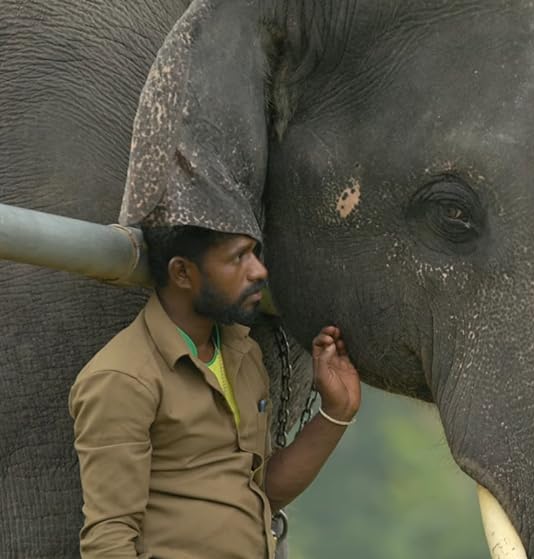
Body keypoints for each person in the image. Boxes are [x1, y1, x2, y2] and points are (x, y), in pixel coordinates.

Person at [69, 225, 361, 558]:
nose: (258, 271)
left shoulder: (242, 353)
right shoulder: (122, 378)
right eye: (238, 257)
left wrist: (337, 412)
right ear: (182, 272)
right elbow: (108, 540)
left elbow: (257, 491)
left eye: (254, 253)